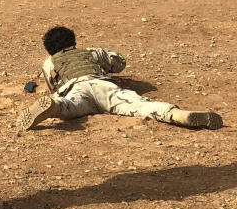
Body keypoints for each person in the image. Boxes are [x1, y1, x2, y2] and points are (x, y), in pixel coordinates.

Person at [17, 26, 223, 131]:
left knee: (68, 107)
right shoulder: (92, 52)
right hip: (101, 85)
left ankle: (53, 108)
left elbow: (53, 85)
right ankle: (177, 115)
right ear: (73, 40)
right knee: (138, 105)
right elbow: (119, 61)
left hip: (75, 90)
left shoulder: (49, 63)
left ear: (49, 49)